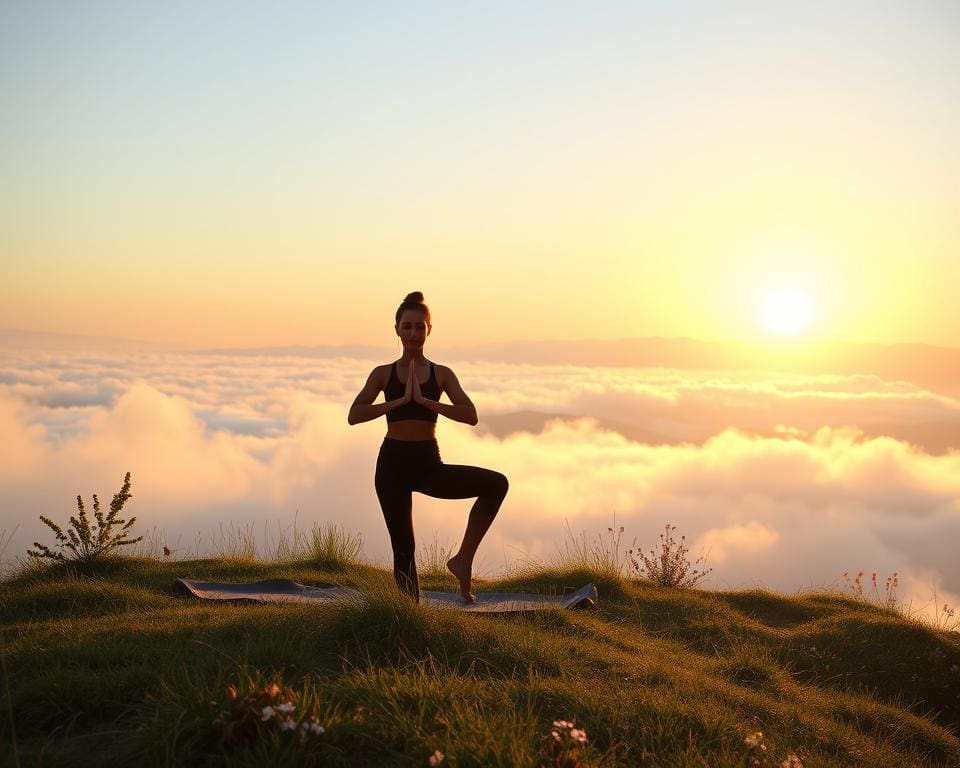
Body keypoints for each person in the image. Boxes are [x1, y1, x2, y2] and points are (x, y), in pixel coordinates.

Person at [348, 291, 508, 603]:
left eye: (420, 326)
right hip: (392, 465)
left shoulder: (442, 374)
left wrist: (425, 401)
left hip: (427, 465)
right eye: (407, 326)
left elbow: (470, 415)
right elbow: (355, 415)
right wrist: (397, 402)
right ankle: (409, 614)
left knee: (496, 484)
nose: (413, 333)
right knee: (404, 549)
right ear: (396, 329)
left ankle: (463, 560)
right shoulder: (383, 374)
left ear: (429, 330)